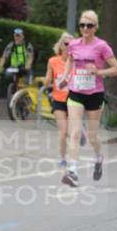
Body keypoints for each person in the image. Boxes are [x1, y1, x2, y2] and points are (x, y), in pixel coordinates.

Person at [59, 10, 117, 186]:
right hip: (76, 92)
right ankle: (73, 172)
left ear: (96, 27)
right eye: (82, 25)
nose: (85, 28)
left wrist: (99, 72)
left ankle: (99, 157)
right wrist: (65, 77)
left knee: (92, 136)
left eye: (89, 25)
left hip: (94, 94)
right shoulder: (73, 44)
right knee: (75, 133)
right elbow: (70, 61)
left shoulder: (102, 46)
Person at [44, 32, 72, 174]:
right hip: (58, 100)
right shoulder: (53, 61)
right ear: (60, 46)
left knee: (73, 132)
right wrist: (47, 81)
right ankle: (62, 158)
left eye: (71, 44)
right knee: (63, 131)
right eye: (66, 44)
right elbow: (48, 79)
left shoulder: (76, 62)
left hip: (73, 101)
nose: (68, 47)